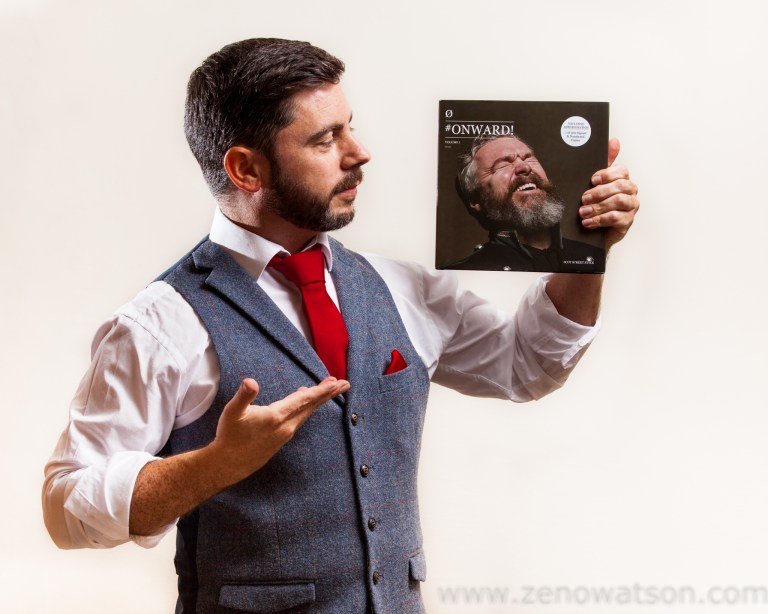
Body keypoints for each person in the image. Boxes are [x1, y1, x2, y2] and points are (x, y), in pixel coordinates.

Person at [42, 38, 639, 613]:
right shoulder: (161, 322)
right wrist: (214, 464)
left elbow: (527, 365)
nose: (359, 153)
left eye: (349, 127)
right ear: (246, 169)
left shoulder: (401, 288)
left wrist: (587, 249)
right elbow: (66, 503)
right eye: (326, 139)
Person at [445, 134, 606, 272]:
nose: (525, 166)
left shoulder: (596, 258)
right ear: (475, 199)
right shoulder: (463, 274)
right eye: (503, 165)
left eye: (529, 158)